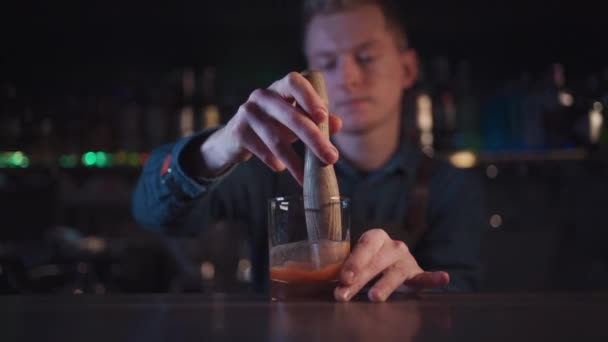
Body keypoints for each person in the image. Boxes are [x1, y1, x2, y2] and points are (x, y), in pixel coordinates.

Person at [133, 0, 482, 302]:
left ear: (407, 69)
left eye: (366, 57)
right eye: (327, 63)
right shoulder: (268, 166)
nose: (346, 77)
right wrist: (215, 150)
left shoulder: (451, 189)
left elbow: (461, 299)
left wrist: (419, 291)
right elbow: (151, 213)